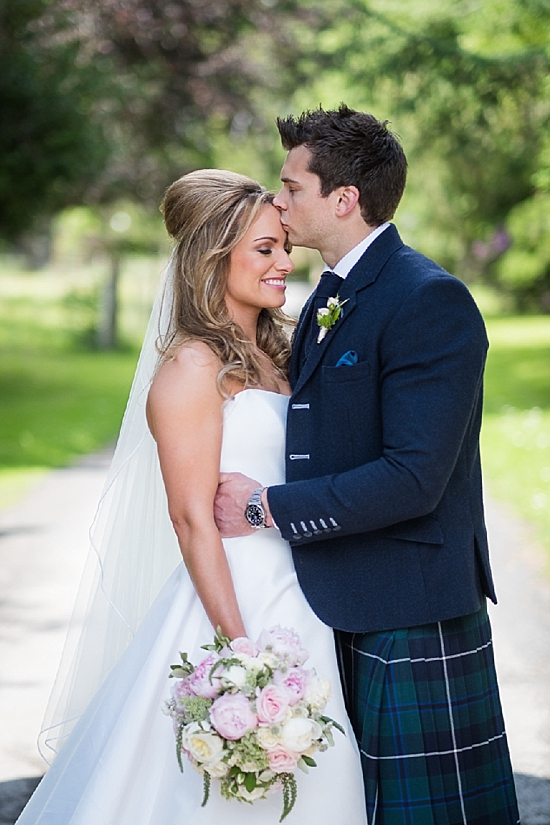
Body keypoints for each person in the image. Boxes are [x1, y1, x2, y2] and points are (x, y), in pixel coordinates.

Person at [15, 169, 366, 824]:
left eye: (283, 246)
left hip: (305, 595)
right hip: (238, 607)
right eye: (265, 249)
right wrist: (240, 652)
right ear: (214, 257)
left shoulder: (280, 355)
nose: (285, 262)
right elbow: (191, 520)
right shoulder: (191, 369)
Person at [214, 106, 521, 824]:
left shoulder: (428, 299)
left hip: (409, 605)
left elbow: (416, 478)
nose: (280, 202)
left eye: (292, 188)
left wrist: (266, 508)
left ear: (343, 199)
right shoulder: (329, 293)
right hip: (338, 598)